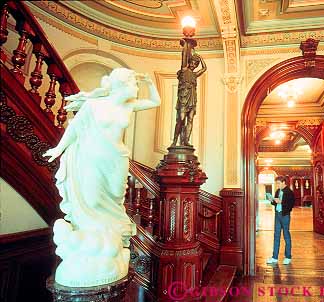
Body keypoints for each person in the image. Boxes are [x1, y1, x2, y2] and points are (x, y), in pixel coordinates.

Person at [43, 68, 161, 286]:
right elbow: (75, 129)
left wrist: (148, 83)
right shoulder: (93, 105)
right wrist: (58, 149)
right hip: (92, 158)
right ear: (122, 85)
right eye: (134, 84)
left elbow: (155, 101)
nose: (136, 89)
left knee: (116, 197)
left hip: (117, 159)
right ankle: (94, 240)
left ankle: (109, 239)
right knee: (93, 199)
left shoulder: (128, 106)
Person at [171, 44, 207, 147]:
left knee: (190, 119)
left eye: (196, 64)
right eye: (192, 62)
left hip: (192, 97)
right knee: (181, 119)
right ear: (189, 62)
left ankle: (186, 140)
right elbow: (184, 56)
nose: (194, 65)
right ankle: (175, 141)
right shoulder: (184, 69)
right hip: (183, 97)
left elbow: (204, 68)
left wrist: (200, 58)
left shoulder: (195, 74)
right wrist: (186, 45)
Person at [267, 176, 295, 265]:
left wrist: (281, 202)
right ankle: (274, 257)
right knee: (276, 235)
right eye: (276, 183)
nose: (277, 185)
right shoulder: (277, 191)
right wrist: (272, 200)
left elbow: (291, 205)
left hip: (285, 215)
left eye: (278, 183)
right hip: (277, 215)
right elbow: (275, 203)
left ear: (283, 182)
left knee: (286, 235)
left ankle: (288, 257)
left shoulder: (289, 192)